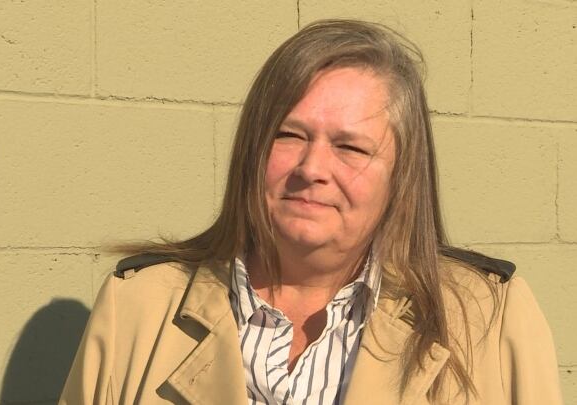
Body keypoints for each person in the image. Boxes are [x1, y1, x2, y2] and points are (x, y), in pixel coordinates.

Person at [58, 19, 562, 404]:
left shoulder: (488, 319)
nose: (312, 167)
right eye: (289, 134)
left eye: (351, 147)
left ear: (401, 177)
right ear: (252, 149)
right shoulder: (139, 309)